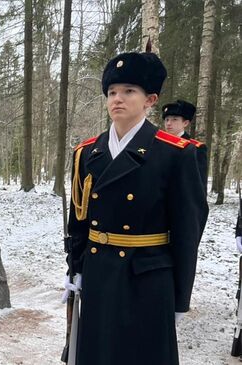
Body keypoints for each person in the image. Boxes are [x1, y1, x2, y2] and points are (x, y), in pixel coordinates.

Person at [63, 51, 209, 365]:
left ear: (150, 100)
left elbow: (187, 231)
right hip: (100, 273)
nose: (118, 99)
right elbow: (79, 220)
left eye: (129, 91)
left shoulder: (175, 154)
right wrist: (75, 269)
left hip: (146, 279)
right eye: (112, 92)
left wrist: (179, 297)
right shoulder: (87, 152)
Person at [162, 99, 208, 191]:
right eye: (167, 119)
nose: (169, 123)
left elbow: (199, 184)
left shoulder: (196, 148)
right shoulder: (158, 143)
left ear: (185, 123)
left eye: (174, 119)